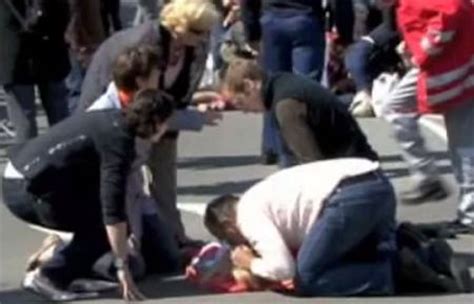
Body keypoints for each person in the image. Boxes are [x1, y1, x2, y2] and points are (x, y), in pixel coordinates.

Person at [2, 89, 175, 301]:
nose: (167, 128)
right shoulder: (118, 142)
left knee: (104, 225)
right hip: (25, 188)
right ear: (155, 121)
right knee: (107, 228)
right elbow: (112, 207)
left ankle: (72, 273)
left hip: (29, 175)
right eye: (166, 122)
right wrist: (122, 266)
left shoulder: (114, 119)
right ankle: (47, 275)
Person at [77, 0, 222, 247]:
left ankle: (175, 237)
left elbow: (180, 86)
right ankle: (126, 244)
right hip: (125, 116)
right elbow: (135, 103)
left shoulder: (194, 46)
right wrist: (195, 119)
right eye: (198, 32)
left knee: (165, 177)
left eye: (207, 31)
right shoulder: (142, 45)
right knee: (127, 182)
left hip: (162, 114)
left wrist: (196, 102)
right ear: (178, 27)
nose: (204, 37)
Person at [204, 158, 398, 296]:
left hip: (347, 199)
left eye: (229, 240)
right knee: (355, 257)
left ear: (229, 226)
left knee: (306, 279)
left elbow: (284, 269)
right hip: (376, 182)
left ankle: (392, 275)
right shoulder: (260, 195)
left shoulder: (248, 215)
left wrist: (251, 262)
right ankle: (414, 253)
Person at [384, 0, 474, 234]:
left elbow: (450, 11)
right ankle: (427, 176)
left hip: (453, 64)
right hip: (449, 62)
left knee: (463, 143)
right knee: (396, 108)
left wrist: (423, 51)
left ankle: (469, 212)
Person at [222, 58, 379, 165]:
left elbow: (310, 163)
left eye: (241, 103)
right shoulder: (283, 83)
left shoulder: (286, 106)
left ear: (250, 86)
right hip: (358, 164)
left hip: (352, 175)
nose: (245, 112)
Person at [1, 0, 71, 144]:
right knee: (59, 118)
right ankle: (65, 161)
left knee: (25, 123)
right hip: (48, 47)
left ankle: (31, 164)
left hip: (15, 53)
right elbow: (64, 13)